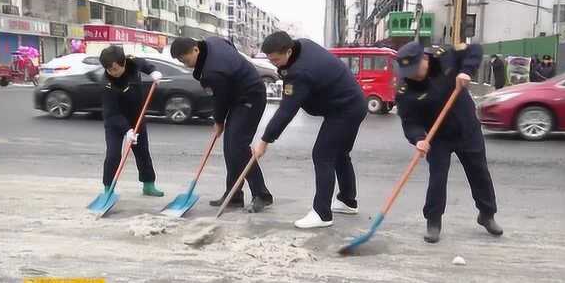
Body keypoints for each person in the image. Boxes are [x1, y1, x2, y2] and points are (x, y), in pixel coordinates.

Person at [252, 31, 367, 229]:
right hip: (352, 103)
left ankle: (322, 214)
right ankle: (348, 201)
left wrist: (264, 141)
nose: (274, 65)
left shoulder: (299, 72)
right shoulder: (302, 45)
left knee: (322, 155)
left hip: (344, 110)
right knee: (340, 154)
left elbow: (286, 111)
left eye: (276, 60)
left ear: (288, 51)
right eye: (270, 60)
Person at [395, 41, 503, 243]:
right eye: (408, 71)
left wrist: (466, 71)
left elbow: (475, 49)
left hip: (467, 128)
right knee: (437, 178)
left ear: (425, 59)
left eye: (415, 69)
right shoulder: (404, 89)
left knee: (479, 173)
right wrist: (418, 139)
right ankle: (433, 221)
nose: (412, 74)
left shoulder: (444, 55)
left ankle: (487, 215)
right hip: (438, 138)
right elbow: (409, 121)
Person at [171, 37, 273, 212]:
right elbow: (229, 44)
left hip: (251, 97)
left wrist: (218, 121)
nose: (185, 64)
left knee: (238, 147)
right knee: (230, 149)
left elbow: (220, 99)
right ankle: (234, 195)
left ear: (196, 49)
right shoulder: (212, 42)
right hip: (238, 97)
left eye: (186, 60)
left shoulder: (213, 71)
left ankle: (262, 195)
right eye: (181, 61)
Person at [99, 45, 164, 197]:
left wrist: (153, 71)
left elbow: (144, 64)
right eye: (108, 69)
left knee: (142, 152)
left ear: (124, 63)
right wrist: (127, 130)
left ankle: (148, 185)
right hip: (115, 121)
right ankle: (108, 188)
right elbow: (112, 113)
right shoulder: (107, 84)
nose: (112, 72)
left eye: (114, 69)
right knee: (113, 155)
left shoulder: (132, 63)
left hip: (136, 117)